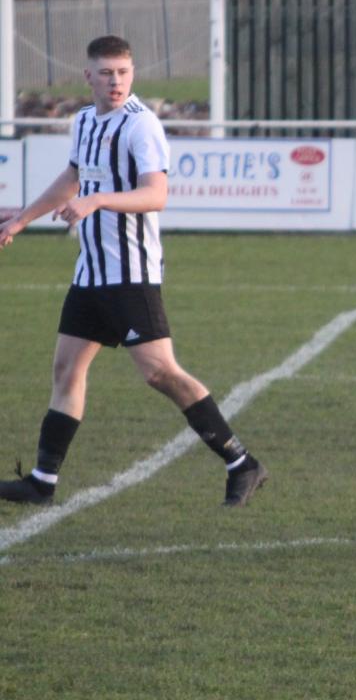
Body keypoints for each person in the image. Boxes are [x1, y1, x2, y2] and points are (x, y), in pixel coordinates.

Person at [0, 35, 267, 508]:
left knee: (159, 372)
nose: (115, 81)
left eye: (123, 72)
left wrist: (97, 200)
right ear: (89, 76)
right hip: (91, 273)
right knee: (66, 368)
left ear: (132, 73)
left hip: (131, 273)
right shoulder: (85, 121)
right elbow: (73, 178)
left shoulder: (141, 125)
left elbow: (156, 194)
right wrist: (22, 219)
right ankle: (42, 481)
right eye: (106, 73)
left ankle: (240, 461)